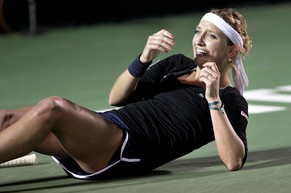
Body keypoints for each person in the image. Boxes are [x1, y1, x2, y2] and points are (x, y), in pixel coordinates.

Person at [0, 8, 252, 180]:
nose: (199, 40)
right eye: (198, 31)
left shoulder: (229, 99)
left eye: (211, 36)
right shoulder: (176, 64)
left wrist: (212, 99)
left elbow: (233, 160)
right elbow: (117, 98)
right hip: (107, 125)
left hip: (122, 148)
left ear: (231, 51)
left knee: (53, 107)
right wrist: (144, 58)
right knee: (7, 119)